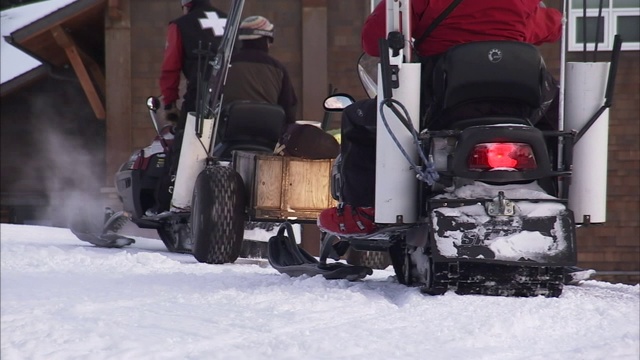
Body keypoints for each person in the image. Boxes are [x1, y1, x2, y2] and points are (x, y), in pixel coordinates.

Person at [317, 0, 563, 236]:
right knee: (556, 126)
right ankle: (554, 188)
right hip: (513, 103)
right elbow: (550, 28)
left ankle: (364, 210)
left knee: (357, 118)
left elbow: (373, 41)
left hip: (443, 101)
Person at [148, 0, 226, 215]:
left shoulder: (181, 25)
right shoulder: (230, 21)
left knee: (183, 150)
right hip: (232, 99)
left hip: (199, 98)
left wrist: (170, 103)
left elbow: (170, 68)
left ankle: (167, 204)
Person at [222, 15, 298, 127]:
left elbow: (212, 102)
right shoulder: (278, 68)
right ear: (266, 39)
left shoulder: (227, 65)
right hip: (268, 134)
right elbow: (289, 109)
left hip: (230, 134)